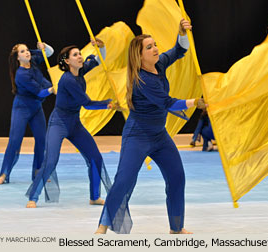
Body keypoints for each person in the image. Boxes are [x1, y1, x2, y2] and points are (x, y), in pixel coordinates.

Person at [95, 19, 206, 234]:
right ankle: (103, 225)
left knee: (177, 177)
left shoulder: (159, 64)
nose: (156, 49)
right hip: (137, 135)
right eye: (150, 47)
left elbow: (179, 50)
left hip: (159, 135)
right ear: (139, 55)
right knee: (124, 180)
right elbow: (168, 103)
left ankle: (176, 227)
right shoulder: (141, 80)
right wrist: (194, 102)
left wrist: (181, 32)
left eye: (155, 45)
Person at [25, 39, 114, 208]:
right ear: (67, 61)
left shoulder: (80, 72)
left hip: (75, 124)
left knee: (95, 158)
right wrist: (108, 104)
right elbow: (87, 103)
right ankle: (33, 197)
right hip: (59, 123)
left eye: (80, 53)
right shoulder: (68, 80)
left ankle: (95, 197)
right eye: (75, 55)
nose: (80, 56)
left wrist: (101, 46)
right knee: (51, 161)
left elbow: (97, 59)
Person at [0, 42, 55, 185]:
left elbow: (49, 52)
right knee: (15, 141)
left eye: (27, 50)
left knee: (41, 140)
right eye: (23, 51)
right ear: (18, 58)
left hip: (36, 108)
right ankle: (4, 173)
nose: (27, 52)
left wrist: (44, 46)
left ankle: (38, 171)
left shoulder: (33, 60)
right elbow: (40, 92)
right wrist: (53, 89)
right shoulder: (21, 75)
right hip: (22, 108)